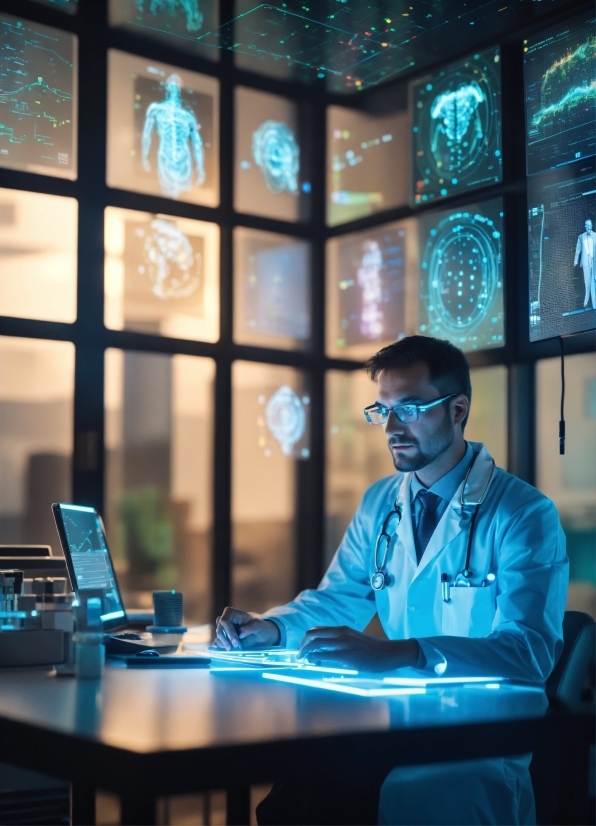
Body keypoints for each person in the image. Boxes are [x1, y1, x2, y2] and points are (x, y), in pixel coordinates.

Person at [213, 336, 568, 825]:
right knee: (298, 790)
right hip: (397, 720)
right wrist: (271, 629)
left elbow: (527, 651)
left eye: (411, 408)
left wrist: (403, 653)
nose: (393, 429)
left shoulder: (523, 513)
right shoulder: (381, 502)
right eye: (382, 411)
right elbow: (340, 598)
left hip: (481, 739)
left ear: (458, 408)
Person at [141, 73, 205, 199]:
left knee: (185, 199)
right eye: (172, 83)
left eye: (177, 84)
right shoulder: (156, 109)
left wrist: (201, 169)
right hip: (165, 157)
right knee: (166, 197)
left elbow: (197, 144)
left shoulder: (188, 116)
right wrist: (144, 157)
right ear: (167, 87)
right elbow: (146, 134)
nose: (174, 86)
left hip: (184, 160)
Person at [574, 217, 596, 309]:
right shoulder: (581, 237)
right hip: (585, 262)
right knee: (587, 282)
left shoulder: (595, 235)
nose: (588, 227)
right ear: (584, 226)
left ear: (592, 225)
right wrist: (576, 260)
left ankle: (594, 302)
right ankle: (587, 300)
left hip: (594, 261)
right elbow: (578, 250)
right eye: (586, 225)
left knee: (594, 280)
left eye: (589, 225)